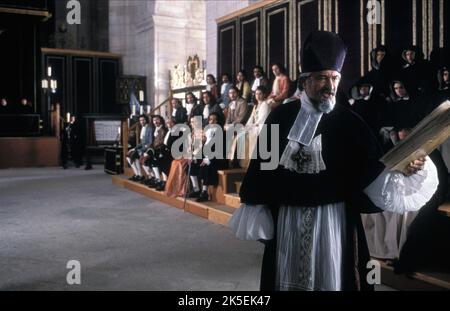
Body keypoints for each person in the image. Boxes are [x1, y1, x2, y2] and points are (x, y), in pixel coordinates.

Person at [229, 31, 439, 291]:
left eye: (334, 78)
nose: (329, 86)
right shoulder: (280, 118)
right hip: (288, 225)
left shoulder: (350, 123)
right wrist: (260, 206)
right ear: (305, 81)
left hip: (335, 224)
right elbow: (263, 168)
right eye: (321, 78)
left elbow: (373, 173)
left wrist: (407, 169)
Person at [141, 115, 168, 189]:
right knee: (148, 160)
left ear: (161, 120)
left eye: (157, 120)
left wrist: (152, 150)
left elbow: (161, 142)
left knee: (157, 161)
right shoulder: (155, 129)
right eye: (154, 120)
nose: (155, 122)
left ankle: (164, 182)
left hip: (162, 150)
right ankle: (157, 179)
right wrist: (149, 150)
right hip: (156, 149)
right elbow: (153, 142)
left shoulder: (163, 129)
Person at [126, 114, 153, 181]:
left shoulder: (150, 128)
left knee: (133, 155)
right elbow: (141, 142)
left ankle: (140, 175)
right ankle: (138, 174)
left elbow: (150, 142)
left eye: (143, 120)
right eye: (140, 120)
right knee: (128, 156)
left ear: (146, 120)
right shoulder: (142, 128)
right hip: (141, 147)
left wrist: (141, 150)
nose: (142, 121)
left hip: (147, 148)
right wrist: (135, 148)